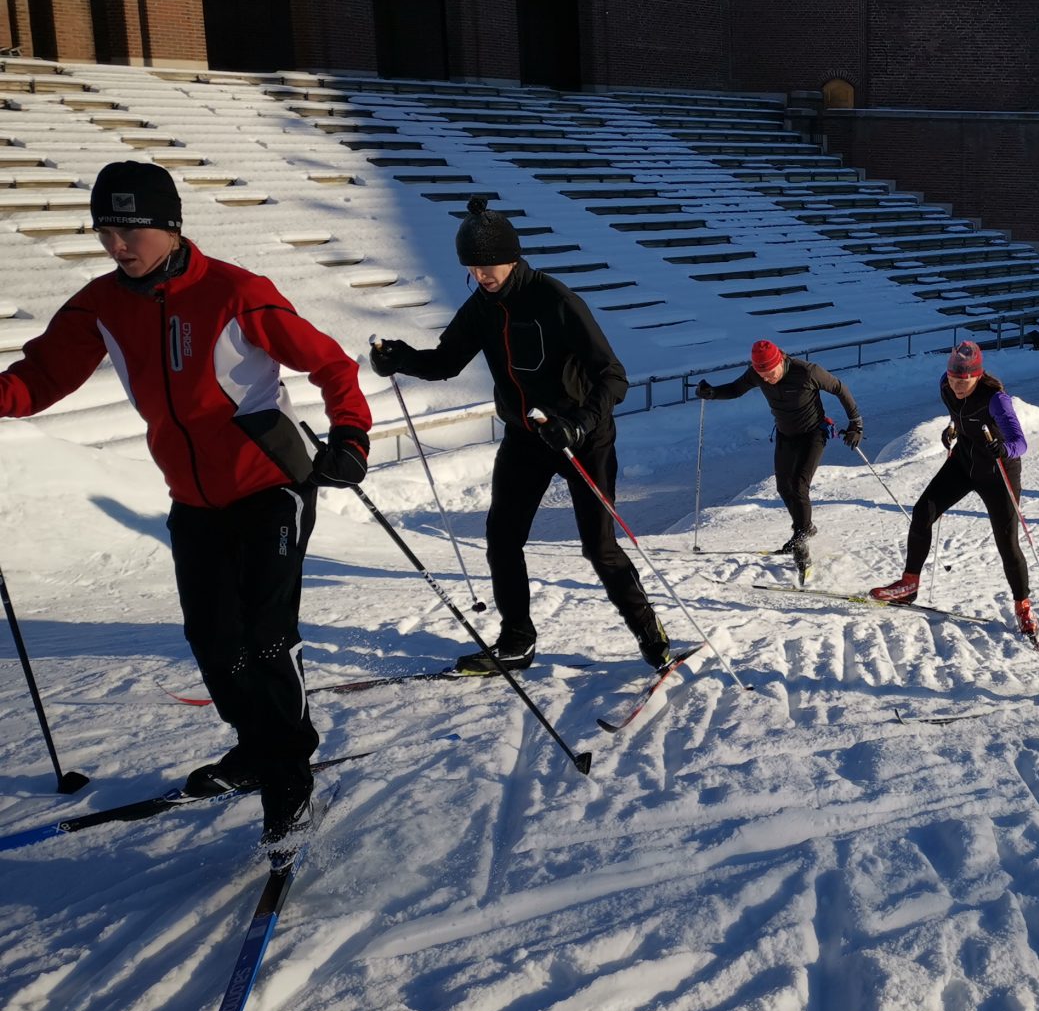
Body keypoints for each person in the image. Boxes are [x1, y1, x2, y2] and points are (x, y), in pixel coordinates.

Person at [0, 163, 371, 844]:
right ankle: (254, 747)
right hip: (194, 498)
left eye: (128, 230)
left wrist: (350, 432)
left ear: (168, 226)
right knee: (211, 638)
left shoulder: (236, 292)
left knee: (265, 642)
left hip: (270, 487)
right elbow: (40, 377)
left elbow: (330, 364)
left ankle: (288, 777)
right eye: (105, 231)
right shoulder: (99, 306)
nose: (116, 246)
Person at [371, 207, 667, 675]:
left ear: (511, 258)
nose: (478, 274)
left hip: (580, 437)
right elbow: (445, 362)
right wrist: (400, 358)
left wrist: (580, 421)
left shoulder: (555, 300)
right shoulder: (481, 306)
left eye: (486, 264)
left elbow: (613, 377)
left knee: (599, 547)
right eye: (471, 266)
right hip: (526, 436)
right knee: (502, 538)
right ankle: (516, 639)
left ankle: (652, 636)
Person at [868, 342, 1037, 636]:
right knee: (923, 511)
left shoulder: (995, 399)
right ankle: (909, 584)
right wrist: (954, 428)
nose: (957, 386)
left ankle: (1023, 608)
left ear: (977, 376)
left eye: (964, 381)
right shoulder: (945, 387)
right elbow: (959, 411)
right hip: (964, 461)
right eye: (953, 380)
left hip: (998, 471)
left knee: (1007, 543)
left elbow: (1020, 442)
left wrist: (1004, 448)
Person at [698, 338, 863, 581]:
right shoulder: (757, 373)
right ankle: (804, 529)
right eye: (762, 375)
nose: (767, 379)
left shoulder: (807, 372)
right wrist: (712, 393)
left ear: (781, 362)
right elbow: (735, 389)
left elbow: (839, 388)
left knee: (798, 485)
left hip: (813, 434)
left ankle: (801, 538)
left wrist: (855, 423)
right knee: (783, 487)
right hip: (786, 435)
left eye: (771, 373)